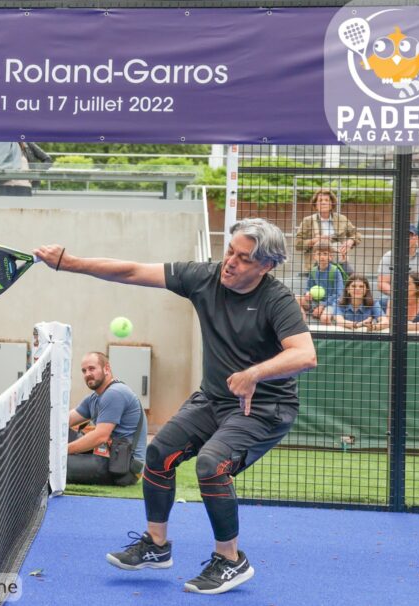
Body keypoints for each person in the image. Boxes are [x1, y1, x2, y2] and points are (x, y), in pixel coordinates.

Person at [33, 218, 317, 595]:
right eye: (229, 250)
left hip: (264, 407)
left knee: (211, 465)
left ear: (266, 265)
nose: (230, 262)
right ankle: (156, 544)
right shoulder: (204, 277)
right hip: (214, 398)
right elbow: (132, 271)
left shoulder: (276, 300)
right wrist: (69, 262)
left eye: (244, 258)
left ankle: (231, 560)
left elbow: (305, 354)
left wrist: (254, 374)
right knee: (159, 453)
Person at [67, 352, 147, 487]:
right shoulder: (94, 398)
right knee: (60, 434)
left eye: (92, 368)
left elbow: (100, 437)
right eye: (84, 370)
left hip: (124, 468)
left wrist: (63, 451)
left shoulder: (115, 393)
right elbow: (63, 421)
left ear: (107, 369)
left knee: (52, 466)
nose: (87, 374)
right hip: (108, 455)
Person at [377, 225, 419, 328]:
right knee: (383, 301)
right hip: (397, 293)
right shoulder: (389, 256)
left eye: (410, 235)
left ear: (417, 238)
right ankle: (386, 335)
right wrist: (398, 294)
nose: (406, 238)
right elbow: (382, 283)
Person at [294, 189, 361, 275]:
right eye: (320, 200)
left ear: (332, 204)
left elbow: (357, 234)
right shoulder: (308, 221)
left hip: (339, 261)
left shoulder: (342, 219)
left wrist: (351, 241)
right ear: (315, 204)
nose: (323, 203)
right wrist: (314, 241)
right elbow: (297, 244)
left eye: (327, 200)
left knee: (353, 279)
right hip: (316, 264)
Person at [296, 242, 346, 324]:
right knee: (296, 299)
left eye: (325, 254)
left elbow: (338, 294)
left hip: (331, 303)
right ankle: (302, 323)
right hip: (315, 302)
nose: (322, 256)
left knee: (325, 318)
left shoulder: (335, 271)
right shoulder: (313, 270)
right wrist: (308, 293)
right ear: (314, 256)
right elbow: (308, 288)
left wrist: (322, 306)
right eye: (319, 254)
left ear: (330, 257)